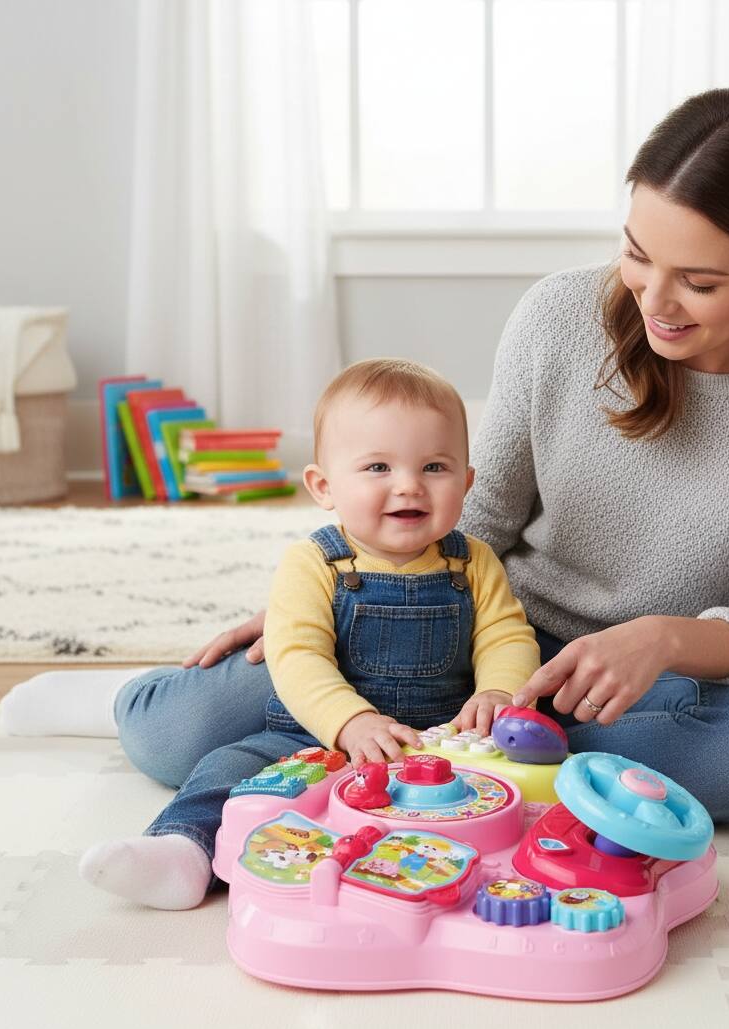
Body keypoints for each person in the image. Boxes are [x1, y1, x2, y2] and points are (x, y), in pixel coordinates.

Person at [1, 87, 729, 876]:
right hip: (476, 635)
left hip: (639, 684)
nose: (652, 299)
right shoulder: (561, 317)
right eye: (636, 254)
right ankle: (142, 699)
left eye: (697, 281)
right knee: (173, 735)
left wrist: (660, 640)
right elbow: (480, 511)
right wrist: (337, 601)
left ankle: (469, 758)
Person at [73, 359, 541, 908]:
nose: (409, 486)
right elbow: (296, 657)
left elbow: (506, 636)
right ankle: (183, 850)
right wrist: (349, 722)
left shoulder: (473, 562)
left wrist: (499, 692)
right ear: (323, 486)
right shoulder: (315, 562)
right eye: (378, 467)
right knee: (231, 769)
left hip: (441, 743)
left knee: (520, 792)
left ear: (466, 482)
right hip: (313, 737)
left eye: (434, 467)